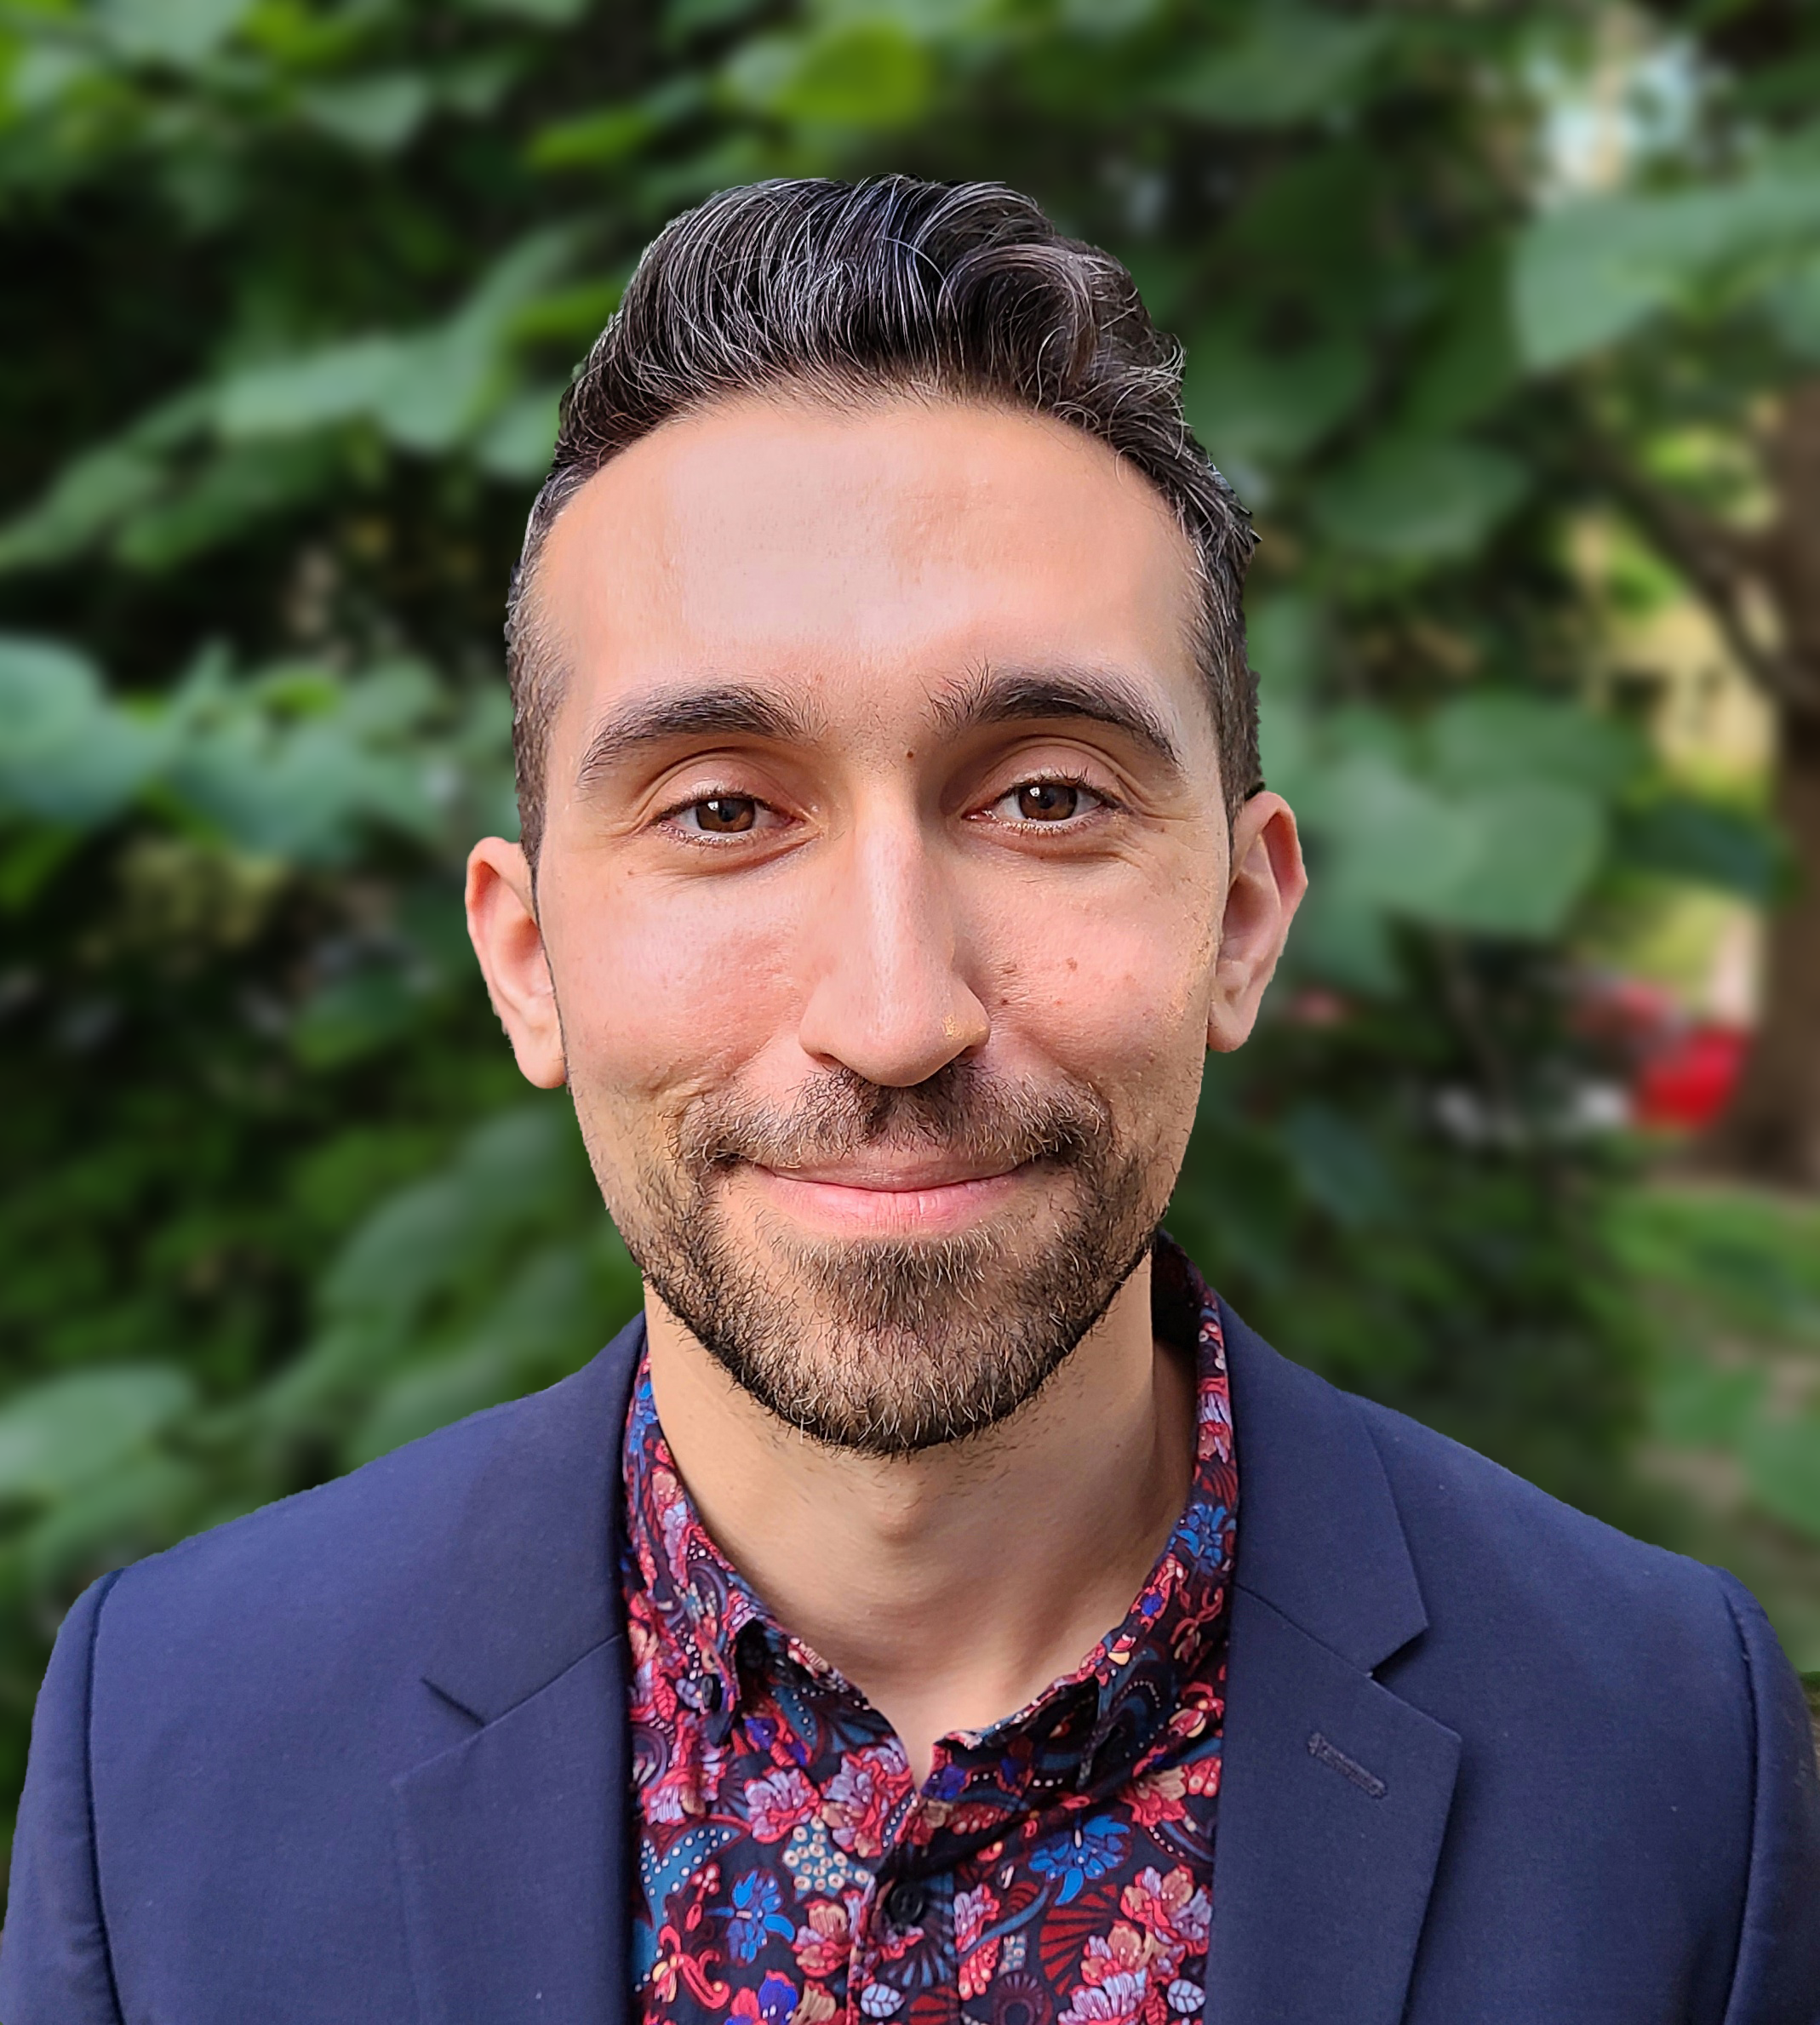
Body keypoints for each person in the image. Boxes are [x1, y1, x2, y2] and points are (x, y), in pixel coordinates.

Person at [2, 176, 1815, 2025]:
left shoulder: (1672, 1745)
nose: (893, 1014)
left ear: (1245, 921)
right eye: (722, 809)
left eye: (1045, 797)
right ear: (526, 953)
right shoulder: (169, 1734)